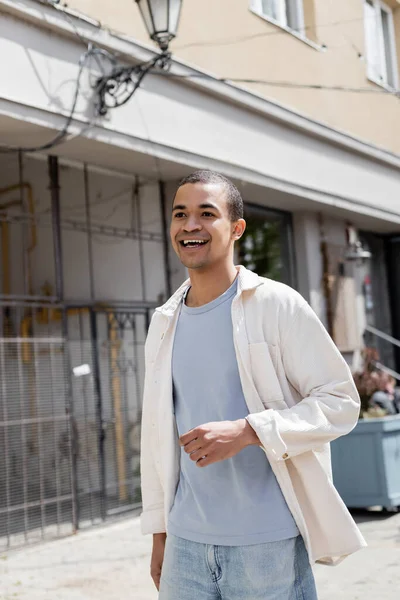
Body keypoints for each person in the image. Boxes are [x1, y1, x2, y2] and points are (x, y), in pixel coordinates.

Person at [140, 170, 366, 599]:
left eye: (207, 214)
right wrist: (159, 533)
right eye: (180, 214)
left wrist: (249, 431)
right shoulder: (163, 322)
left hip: (267, 544)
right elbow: (156, 436)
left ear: (236, 228)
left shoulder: (275, 304)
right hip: (186, 543)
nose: (190, 225)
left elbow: (340, 401)